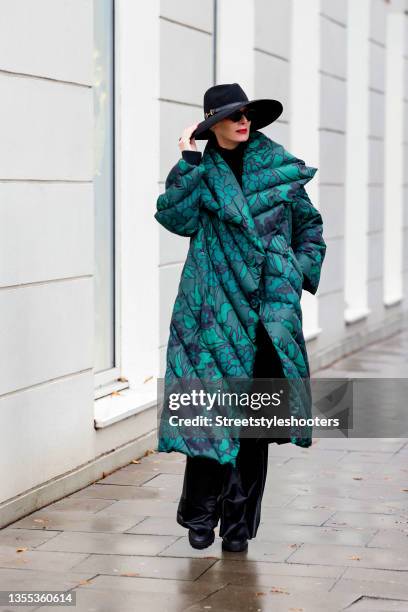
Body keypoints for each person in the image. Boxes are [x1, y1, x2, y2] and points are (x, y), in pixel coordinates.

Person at [154, 83, 326, 553]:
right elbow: (176, 219)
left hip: (268, 315)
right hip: (212, 312)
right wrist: (187, 159)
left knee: (254, 431)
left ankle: (237, 527)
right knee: (208, 416)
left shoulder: (279, 168)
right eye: (232, 116)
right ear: (212, 124)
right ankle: (200, 516)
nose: (242, 121)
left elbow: (310, 227)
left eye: (246, 113)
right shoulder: (200, 172)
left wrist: (296, 272)